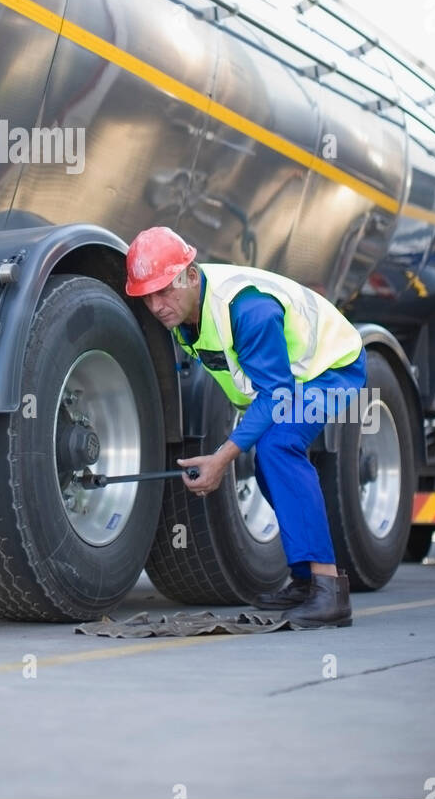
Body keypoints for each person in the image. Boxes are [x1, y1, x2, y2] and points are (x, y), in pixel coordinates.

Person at [124, 226, 368, 629]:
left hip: (332, 368)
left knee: (278, 448)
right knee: (267, 459)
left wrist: (221, 458)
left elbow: (276, 394)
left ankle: (329, 592)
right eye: (146, 296)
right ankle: (307, 580)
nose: (156, 305)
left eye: (164, 290)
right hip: (294, 380)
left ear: (189, 272)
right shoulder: (187, 315)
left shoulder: (246, 309)